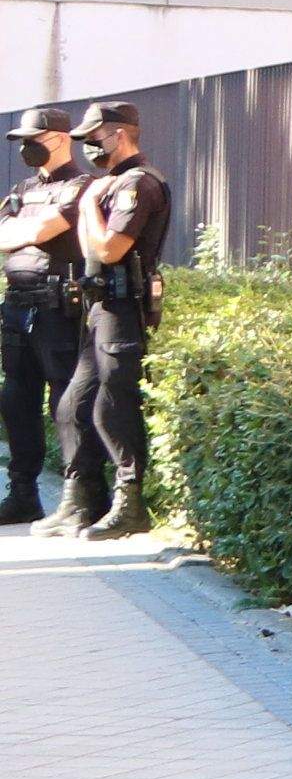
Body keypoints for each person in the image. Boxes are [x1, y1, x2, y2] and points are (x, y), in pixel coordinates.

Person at [47, 103, 169, 540]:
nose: (89, 148)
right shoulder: (110, 183)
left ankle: (130, 505)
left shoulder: (139, 183)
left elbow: (110, 250)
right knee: (73, 404)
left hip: (121, 307)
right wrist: (90, 211)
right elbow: (88, 251)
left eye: (94, 138)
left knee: (111, 407)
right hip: (97, 307)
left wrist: (85, 210)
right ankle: (81, 501)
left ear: (118, 135)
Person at [0, 109, 87, 527]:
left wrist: (25, 228)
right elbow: (3, 237)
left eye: (33, 138)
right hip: (18, 306)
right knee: (17, 402)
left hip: (57, 309)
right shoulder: (23, 188)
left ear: (59, 139)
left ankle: (78, 497)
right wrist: (23, 229)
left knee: (65, 404)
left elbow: (36, 233)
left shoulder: (82, 186)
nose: (25, 147)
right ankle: (22, 496)